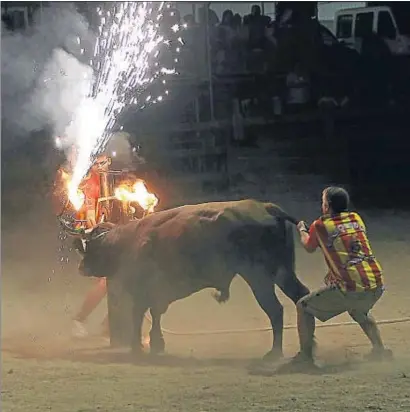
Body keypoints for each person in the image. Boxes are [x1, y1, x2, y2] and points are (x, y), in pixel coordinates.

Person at [290, 186, 392, 368]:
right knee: (359, 311)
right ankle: (379, 349)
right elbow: (349, 249)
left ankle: (306, 357)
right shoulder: (356, 218)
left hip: (351, 289)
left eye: (323, 202)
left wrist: (302, 230)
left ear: (327, 206)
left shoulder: (320, 225)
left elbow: (309, 246)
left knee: (303, 306)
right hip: (376, 284)